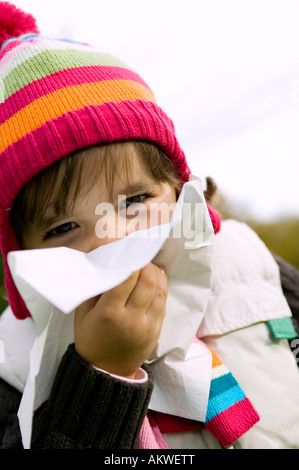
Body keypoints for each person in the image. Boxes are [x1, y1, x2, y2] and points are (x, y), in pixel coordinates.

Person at [0, 2, 299, 449]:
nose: (112, 238)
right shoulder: (13, 362)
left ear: (178, 189)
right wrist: (103, 372)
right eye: (63, 227)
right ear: (17, 253)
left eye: (136, 200)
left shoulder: (249, 264)